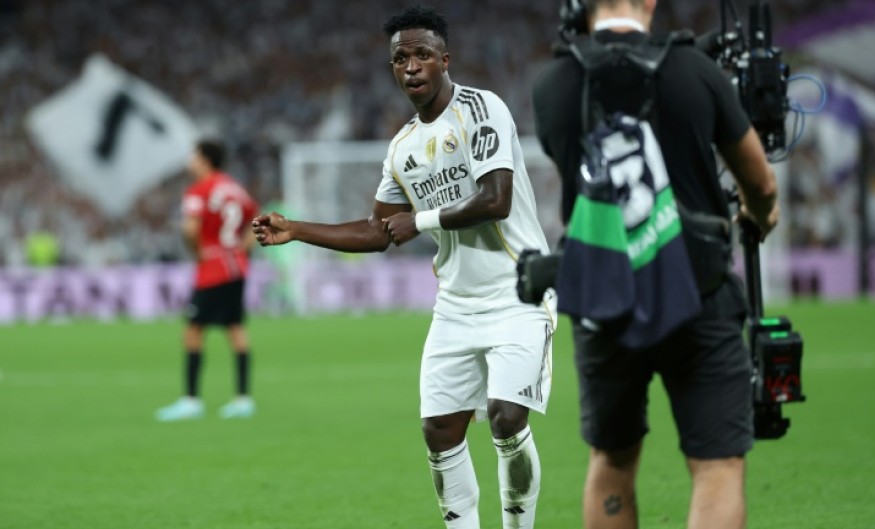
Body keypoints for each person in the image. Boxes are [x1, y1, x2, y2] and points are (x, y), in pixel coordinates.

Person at [252, 6, 555, 528]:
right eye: (399, 59)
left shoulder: (482, 109)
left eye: (421, 55)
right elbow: (378, 230)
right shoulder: (402, 149)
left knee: (506, 419)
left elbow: (496, 199)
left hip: (516, 293)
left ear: (444, 59)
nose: (411, 67)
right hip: (456, 305)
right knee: (439, 431)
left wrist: (423, 219)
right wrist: (297, 229)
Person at [532, 1, 779, 528]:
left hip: (605, 297)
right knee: (717, 465)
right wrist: (759, 214)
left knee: (611, 459)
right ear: (649, 2)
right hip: (698, 288)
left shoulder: (551, 83)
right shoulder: (697, 70)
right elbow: (760, 181)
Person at [156, 140, 259, 422]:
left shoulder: (199, 190)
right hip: (236, 266)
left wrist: (197, 252)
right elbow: (257, 221)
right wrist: (241, 249)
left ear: (204, 159)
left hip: (213, 269)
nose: (190, 160)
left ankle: (191, 401)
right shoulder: (234, 188)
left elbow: (190, 229)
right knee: (236, 329)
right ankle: (243, 399)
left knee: (193, 331)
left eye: (194, 155)